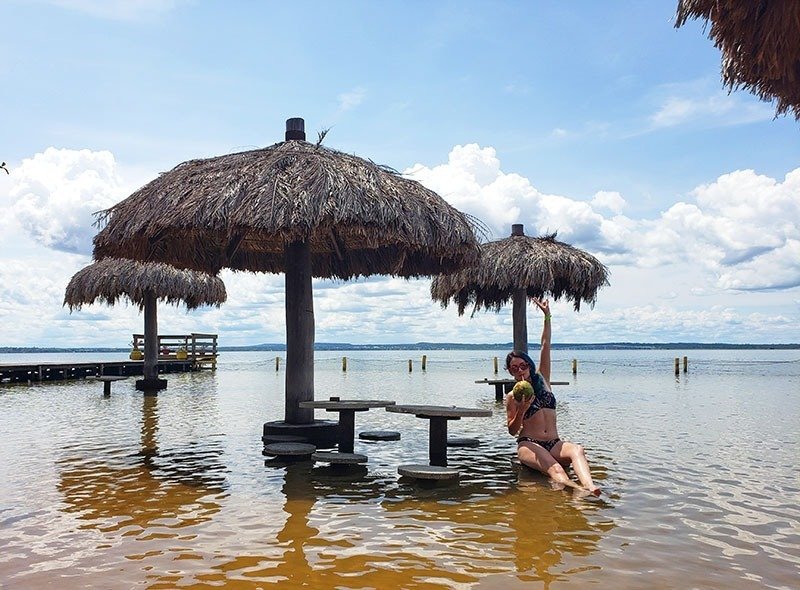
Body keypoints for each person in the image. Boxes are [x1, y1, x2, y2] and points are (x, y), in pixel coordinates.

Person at [505, 298, 600, 495]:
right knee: (556, 470)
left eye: (523, 365)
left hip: (554, 443)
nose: (520, 370)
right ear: (511, 372)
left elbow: (545, 345)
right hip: (529, 443)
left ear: (529, 365)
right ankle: (578, 492)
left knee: (577, 450)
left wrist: (547, 316)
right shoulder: (513, 396)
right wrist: (522, 409)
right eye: (515, 368)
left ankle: (589, 487)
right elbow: (512, 431)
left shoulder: (543, 379)